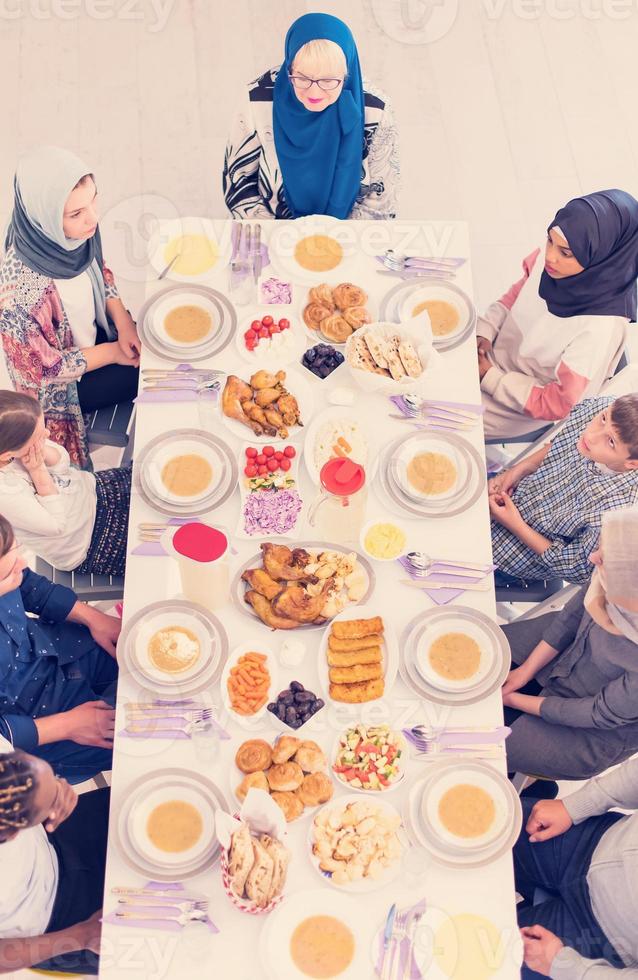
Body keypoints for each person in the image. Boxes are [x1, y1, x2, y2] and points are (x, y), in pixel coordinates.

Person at [0, 145, 140, 470]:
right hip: (65, 387)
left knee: (157, 344)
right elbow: (48, 369)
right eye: (76, 213)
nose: (94, 217)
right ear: (45, 217)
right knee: (157, 369)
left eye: (94, 199)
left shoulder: (77, 230)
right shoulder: (19, 294)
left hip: (96, 345)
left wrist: (123, 320)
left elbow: (101, 269)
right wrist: (114, 353)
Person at [477, 189, 638, 439]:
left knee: (433, 419)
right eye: (550, 241)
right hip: (489, 358)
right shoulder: (556, 262)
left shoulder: (599, 329)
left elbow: (560, 403)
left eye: (566, 253)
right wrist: (484, 331)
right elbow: (514, 297)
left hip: (516, 402)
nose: (550, 257)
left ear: (601, 257)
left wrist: (491, 376)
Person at [500, 507, 638, 780]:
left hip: (589, 728)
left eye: (604, 561)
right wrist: (524, 672)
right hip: (567, 647)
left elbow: (597, 712)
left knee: (479, 736)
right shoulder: (619, 560)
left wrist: (513, 699)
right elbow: (571, 616)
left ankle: (530, 786)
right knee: (476, 659)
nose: (593, 558)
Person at [223, 12, 400, 220]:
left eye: (328, 81)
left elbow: (381, 199)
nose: (314, 93)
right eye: (302, 78)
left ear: (347, 73)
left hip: (348, 236)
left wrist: (336, 241)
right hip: (273, 232)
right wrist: (281, 238)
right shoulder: (256, 99)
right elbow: (238, 181)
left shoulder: (377, 110)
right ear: (289, 66)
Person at [0, 515, 119, 782]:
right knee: (161, 732)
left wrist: (93, 618)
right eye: (7, 572)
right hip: (40, 725)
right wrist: (68, 726)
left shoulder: (12, 568)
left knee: (154, 654)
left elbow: (27, 583)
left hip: (58, 650)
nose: (22, 563)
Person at [489, 395, 638, 584]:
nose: (591, 436)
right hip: (514, 491)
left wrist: (516, 525)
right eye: (602, 420)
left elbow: (577, 569)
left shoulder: (619, 514)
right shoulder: (606, 408)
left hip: (510, 556)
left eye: (610, 442)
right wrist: (520, 468)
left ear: (632, 463)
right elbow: (561, 442)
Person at [514, 755, 638, 978]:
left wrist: (569, 968)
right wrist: (573, 807)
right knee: (476, 825)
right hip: (595, 840)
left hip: (604, 942)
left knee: (465, 957)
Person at [0, 740, 107, 975]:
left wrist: (56, 789)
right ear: (13, 834)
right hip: (59, 924)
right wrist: (82, 936)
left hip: (57, 836)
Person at [0, 391, 130, 575]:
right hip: (86, 541)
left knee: (151, 479)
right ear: (7, 454)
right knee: (154, 540)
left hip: (93, 490)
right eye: (38, 436)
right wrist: (38, 471)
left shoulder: (22, 444)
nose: (46, 433)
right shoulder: (5, 495)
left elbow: (63, 463)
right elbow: (57, 526)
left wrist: (43, 452)